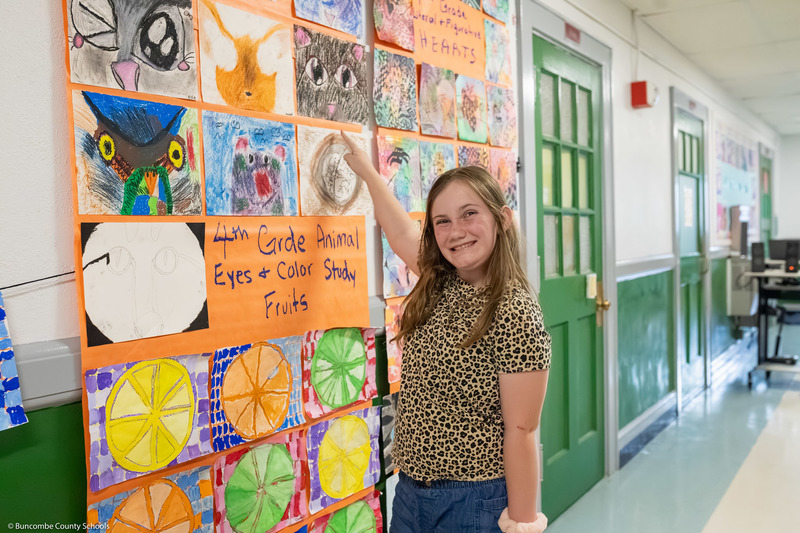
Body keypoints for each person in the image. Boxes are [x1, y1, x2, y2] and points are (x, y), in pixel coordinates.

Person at [341, 131, 551, 533]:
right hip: (411, 491)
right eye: (443, 221)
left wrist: (522, 524)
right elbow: (401, 232)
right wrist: (370, 175)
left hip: (474, 500)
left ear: (501, 219)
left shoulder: (515, 311)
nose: (456, 232)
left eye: (470, 214)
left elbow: (522, 430)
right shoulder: (441, 279)